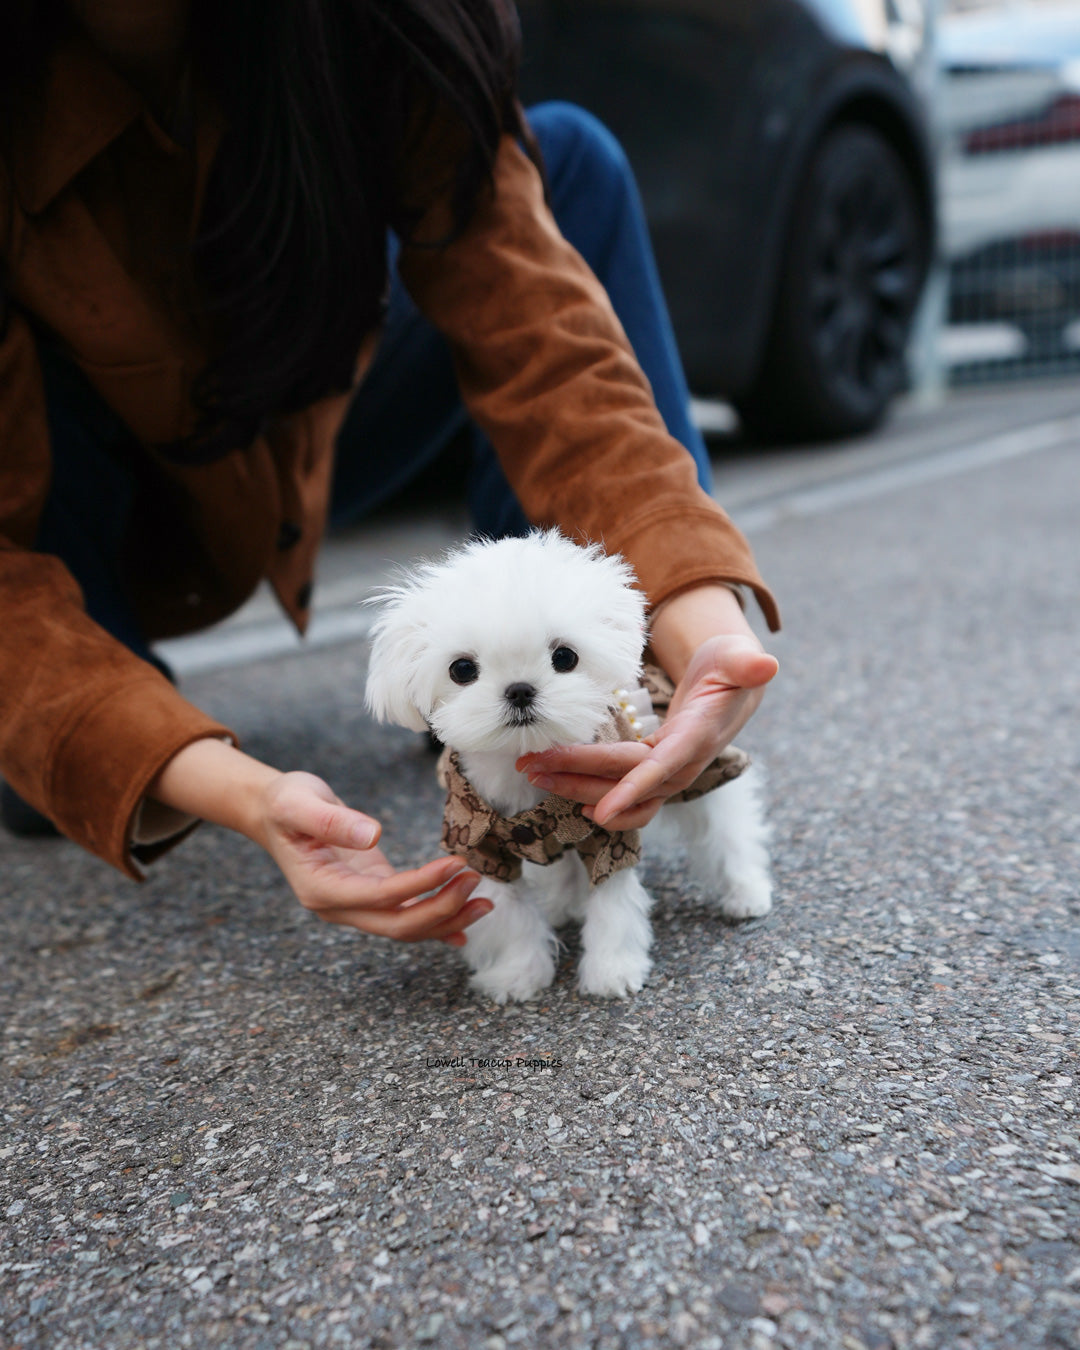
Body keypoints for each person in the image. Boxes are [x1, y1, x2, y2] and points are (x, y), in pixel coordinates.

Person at [0, 0, 780, 948]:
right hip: (108, 506)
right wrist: (244, 794)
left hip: (314, 416)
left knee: (568, 158)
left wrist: (696, 623)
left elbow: (552, 354)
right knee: (66, 775)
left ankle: (501, 658)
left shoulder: (383, 25)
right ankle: (145, 693)